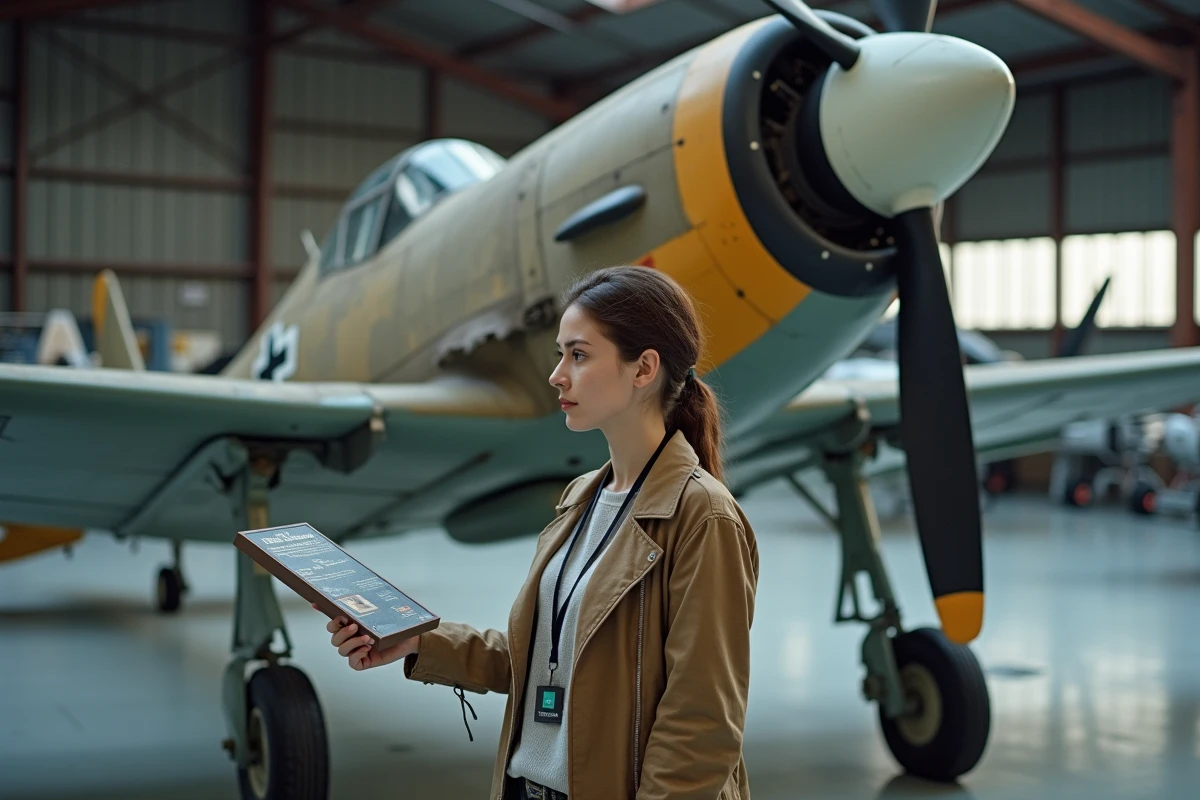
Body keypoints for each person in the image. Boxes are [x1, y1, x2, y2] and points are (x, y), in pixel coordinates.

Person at [321, 265, 760, 799]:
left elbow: (703, 719)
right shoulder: (581, 499)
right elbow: (541, 660)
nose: (557, 374)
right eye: (560, 354)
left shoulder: (702, 516)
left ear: (644, 368)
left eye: (578, 355)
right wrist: (415, 640)